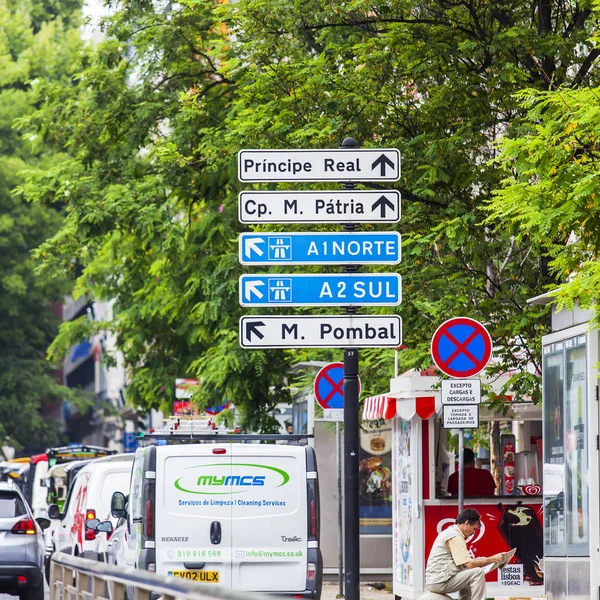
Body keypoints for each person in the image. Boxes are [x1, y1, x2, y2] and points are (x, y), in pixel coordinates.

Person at [425, 508, 506, 600]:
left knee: (469, 571)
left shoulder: (450, 533)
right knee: (477, 572)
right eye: (474, 528)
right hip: (439, 582)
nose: (473, 533)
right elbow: (469, 563)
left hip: (437, 580)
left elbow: (465, 563)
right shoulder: (455, 536)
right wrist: (492, 559)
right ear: (467, 523)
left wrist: (488, 559)